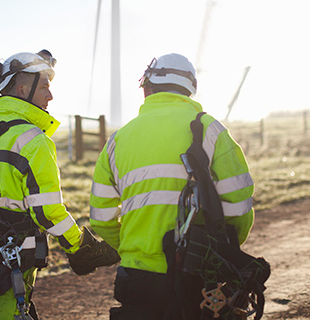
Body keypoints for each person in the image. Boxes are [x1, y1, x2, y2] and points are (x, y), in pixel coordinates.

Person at [0, 50, 119, 320]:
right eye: (45, 87)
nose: (50, 96)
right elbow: (47, 211)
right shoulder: (34, 140)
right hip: (11, 259)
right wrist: (81, 246)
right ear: (23, 89)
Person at [89, 53, 255, 319]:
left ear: (147, 88)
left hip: (136, 275)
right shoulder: (211, 131)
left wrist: (133, 247)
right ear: (190, 90)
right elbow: (239, 208)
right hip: (197, 275)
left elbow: (101, 218)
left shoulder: (117, 140)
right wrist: (221, 254)